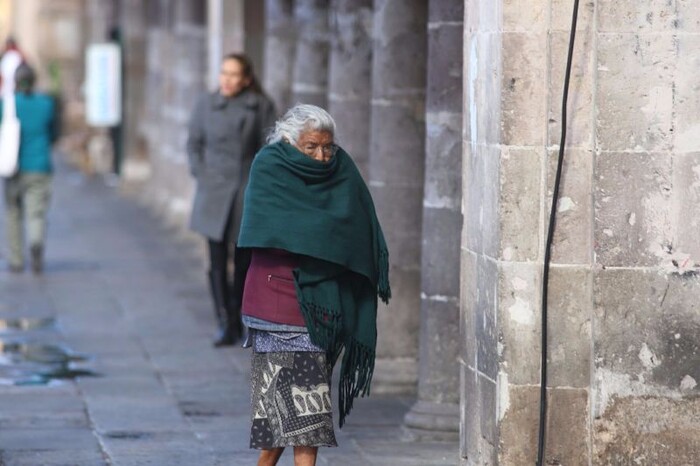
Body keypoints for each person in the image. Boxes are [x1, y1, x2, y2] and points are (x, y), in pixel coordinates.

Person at [237, 104, 391, 466]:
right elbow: (273, 230)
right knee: (287, 417)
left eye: (327, 146)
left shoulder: (341, 169)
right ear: (290, 142)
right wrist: (326, 236)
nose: (322, 156)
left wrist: (328, 240)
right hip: (276, 300)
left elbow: (356, 228)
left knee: (301, 414)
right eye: (311, 147)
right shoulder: (269, 167)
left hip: (323, 305)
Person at [186, 53, 276, 347]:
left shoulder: (260, 106)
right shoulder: (205, 104)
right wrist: (202, 175)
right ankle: (224, 321)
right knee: (214, 259)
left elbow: (270, 149)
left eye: (234, 74)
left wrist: (258, 185)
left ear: (246, 79)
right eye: (224, 73)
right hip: (212, 191)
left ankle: (242, 316)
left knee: (243, 261)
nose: (227, 79)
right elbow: (194, 144)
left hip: (244, 191)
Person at [2, 62, 58, 274]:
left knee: (13, 211)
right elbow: (54, 134)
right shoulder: (46, 103)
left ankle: (16, 259)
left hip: (13, 166)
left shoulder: (7, 104)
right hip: (40, 165)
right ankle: (35, 242)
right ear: (34, 81)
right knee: (36, 212)